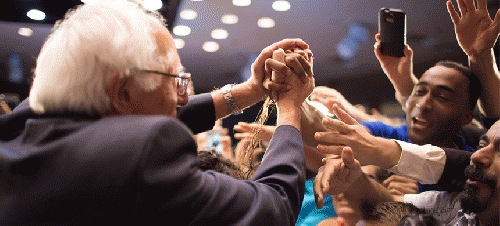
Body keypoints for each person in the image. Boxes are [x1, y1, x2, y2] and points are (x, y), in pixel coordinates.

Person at [0, 1, 316, 225]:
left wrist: (251, 90)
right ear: (122, 93)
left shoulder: (19, 126)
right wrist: (288, 107)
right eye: (175, 79)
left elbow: (128, 120)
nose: (185, 95)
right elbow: (272, 209)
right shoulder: (142, 153)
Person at [313, 107, 500, 225]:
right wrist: (354, 179)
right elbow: (385, 206)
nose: (477, 156)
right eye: (482, 146)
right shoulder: (458, 206)